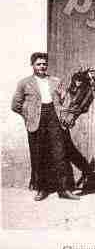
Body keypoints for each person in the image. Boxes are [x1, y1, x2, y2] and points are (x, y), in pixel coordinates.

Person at [11, 52, 80, 201]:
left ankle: (64, 190)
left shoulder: (55, 81)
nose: (42, 66)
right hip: (37, 121)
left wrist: (65, 107)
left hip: (54, 118)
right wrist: (28, 115)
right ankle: (42, 189)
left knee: (60, 154)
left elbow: (65, 98)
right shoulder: (24, 83)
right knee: (39, 155)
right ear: (33, 65)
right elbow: (15, 105)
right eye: (38, 64)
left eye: (44, 64)